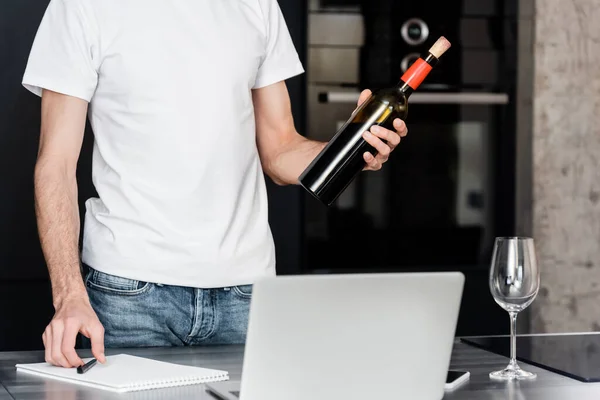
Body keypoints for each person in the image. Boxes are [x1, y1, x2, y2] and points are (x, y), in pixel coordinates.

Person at [22, 0, 408, 368]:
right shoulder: (81, 5)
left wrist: (350, 151)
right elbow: (55, 164)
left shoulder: (257, 4)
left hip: (246, 293)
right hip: (129, 293)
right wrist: (69, 294)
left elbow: (279, 152)